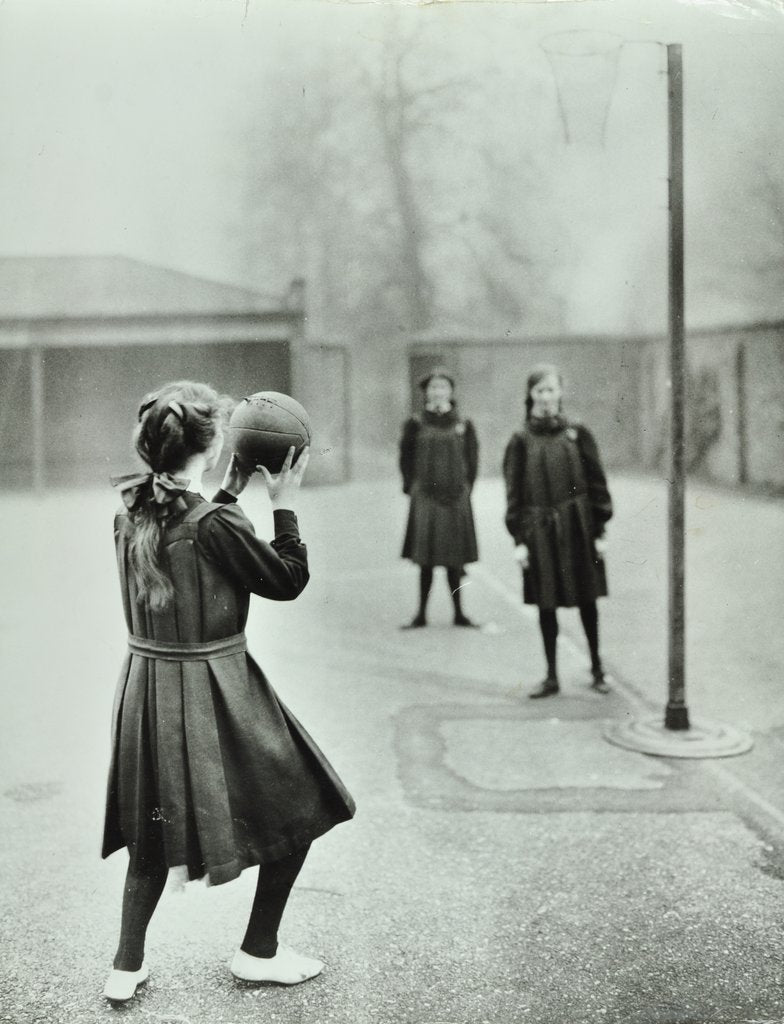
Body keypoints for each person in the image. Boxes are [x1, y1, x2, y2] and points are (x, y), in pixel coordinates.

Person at [101, 381, 355, 1002]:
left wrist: (233, 493)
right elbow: (287, 580)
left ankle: (125, 968)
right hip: (213, 686)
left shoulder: (133, 508)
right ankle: (258, 952)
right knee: (307, 803)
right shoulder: (215, 522)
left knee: (152, 827)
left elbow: (191, 533)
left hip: (147, 689)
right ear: (214, 445)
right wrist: (284, 502)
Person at [502, 364, 613, 698]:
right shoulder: (520, 440)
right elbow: (514, 496)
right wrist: (519, 540)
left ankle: (597, 669)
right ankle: (551, 676)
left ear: (561, 393)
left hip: (578, 528)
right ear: (531, 396)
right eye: (540, 391)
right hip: (540, 533)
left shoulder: (577, 433)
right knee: (545, 603)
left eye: (552, 390)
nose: (546, 397)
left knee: (587, 600)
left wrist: (600, 530)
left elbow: (597, 483)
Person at [399, 368, 479, 628]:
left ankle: (459, 613)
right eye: (433, 387)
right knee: (426, 559)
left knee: (455, 558)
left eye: (443, 387)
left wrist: (466, 488)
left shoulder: (463, 423)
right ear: (426, 393)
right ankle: (421, 614)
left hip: (456, 497)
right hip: (426, 498)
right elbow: (405, 458)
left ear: (451, 392)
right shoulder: (415, 423)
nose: (438, 392)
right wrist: (411, 487)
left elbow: (473, 460)